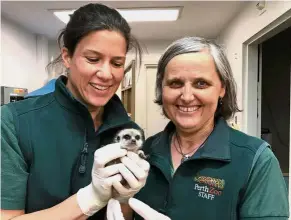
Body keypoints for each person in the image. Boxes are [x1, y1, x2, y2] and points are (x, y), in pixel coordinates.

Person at [106, 37, 289, 220]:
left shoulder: (255, 160)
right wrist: (120, 200)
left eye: (201, 83)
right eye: (175, 83)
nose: (186, 97)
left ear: (222, 89)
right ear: (162, 90)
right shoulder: (145, 151)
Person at [1, 3, 150, 219]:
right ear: (67, 57)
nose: (106, 74)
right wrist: (91, 198)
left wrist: (124, 198)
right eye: (93, 59)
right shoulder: (15, 122)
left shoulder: (129, 133)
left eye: (117, 63)